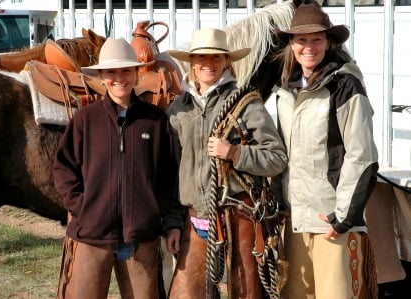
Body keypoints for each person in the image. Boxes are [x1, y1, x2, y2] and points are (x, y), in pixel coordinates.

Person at [53, 37, 183, 299]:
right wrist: (84, 208)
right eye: (111, 71)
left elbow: (169, 177)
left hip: (141, 237)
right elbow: (63, 169)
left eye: (126, 70)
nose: (119, 78)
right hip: (92, 235)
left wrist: (164, 219)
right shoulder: (85, 120)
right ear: (101, 76)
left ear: (136, 74)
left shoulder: (154, 121)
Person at [165, 28, 288, 298]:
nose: (209, 64)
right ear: (192, 63)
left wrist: (235, 154)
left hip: (239, 218)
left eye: (216, 58)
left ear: (226, 62)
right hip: (195, 219)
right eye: (202, 58)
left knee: (246, 293)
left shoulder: (246, 105)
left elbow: (277, 158)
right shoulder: (178, 111)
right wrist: (174, 222)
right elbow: (172, 174)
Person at [272, 1, 379, 298]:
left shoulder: (345, 86)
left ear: (328, 42)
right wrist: (281, 202)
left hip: (331, 221)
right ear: (291, 45)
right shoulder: (285, 91)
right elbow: (285, 154)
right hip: (295, 220)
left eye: (316, 39)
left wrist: (342, 217)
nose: (309, 47)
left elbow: (363, 156)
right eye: (301, 40)